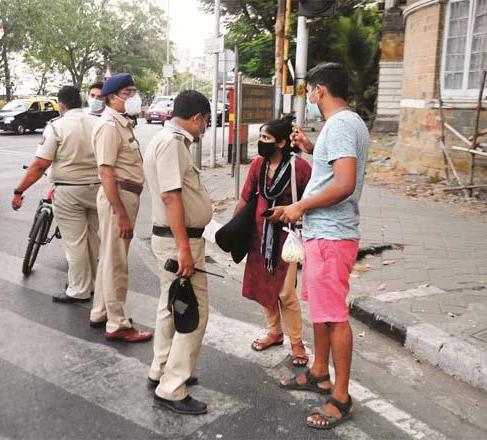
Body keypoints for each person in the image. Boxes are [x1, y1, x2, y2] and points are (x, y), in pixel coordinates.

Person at [274, 62, 369, 430]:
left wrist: (300, 205)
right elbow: (333, 173)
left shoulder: (342, 124)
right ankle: (319, 373)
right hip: (322, 233)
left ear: (319, 91)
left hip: (332, 235)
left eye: (310, 92)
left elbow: (343, 184)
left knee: (334, 317)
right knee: (321, 312)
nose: (309, 98)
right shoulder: (345, 124)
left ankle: (341, 397)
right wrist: (313, 149)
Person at [144, 90, 213, 415]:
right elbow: (172, 197)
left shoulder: (166, 139)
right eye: (206, 122)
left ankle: (160, 369)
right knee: (193, 313)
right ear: (197, 117)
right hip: (179, 242)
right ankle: (172, 387)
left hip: (173, 239)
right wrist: (185, 248)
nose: (204, 129)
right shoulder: (172, 142)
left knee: (170, 306)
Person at [232, 116, 311, 366]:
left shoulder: (300, 168)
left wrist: (289, 209)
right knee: (263, 288)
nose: (261, 142)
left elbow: (312, 201)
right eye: (261, 137)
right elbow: (245, 198)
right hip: (259, 238)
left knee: (286, 293)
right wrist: (233, 229)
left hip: (287, 239)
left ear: (281, 142)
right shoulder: (258, 165)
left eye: (266, 138)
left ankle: (297, 342)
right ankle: (275, 332)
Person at [12, 85, 101, 303]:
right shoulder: (98, 123)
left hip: (69, 192)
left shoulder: (56, 127)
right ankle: (94, 284)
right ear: (81, 101)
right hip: (98, 189)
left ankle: (79, 289)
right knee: (92, 239)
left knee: (75, 242)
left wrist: (19, 190)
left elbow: (40, 164)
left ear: (61, 105)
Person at [89, 73, 152, 343]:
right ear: (112, 97)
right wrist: (121, 214)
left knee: (109, 256)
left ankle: (101, 311)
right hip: (119, 198)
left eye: (133, 92)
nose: (133, 97)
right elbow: (106, 172)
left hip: (126, 195)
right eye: (128, 92)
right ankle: (117, 323)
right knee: (116, 263)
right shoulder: (109, 126)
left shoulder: (122, 123)